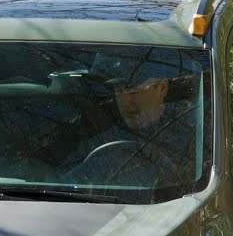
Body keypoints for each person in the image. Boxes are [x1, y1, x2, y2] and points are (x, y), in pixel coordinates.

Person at [67, 51, 199, 191]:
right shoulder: (93, 131)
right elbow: (65, 177)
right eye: (118, 90)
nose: (124, 101)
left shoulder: (193, 132)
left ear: (162, 88)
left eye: (133, 91)